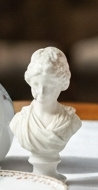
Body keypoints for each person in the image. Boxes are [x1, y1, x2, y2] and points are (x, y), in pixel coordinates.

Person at [10, 47, 82, 180]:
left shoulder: (70, 121)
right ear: (29, 81)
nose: (41, 92)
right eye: (36, 84)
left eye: (49, 85)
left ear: (62, 84)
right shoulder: (20, 121)